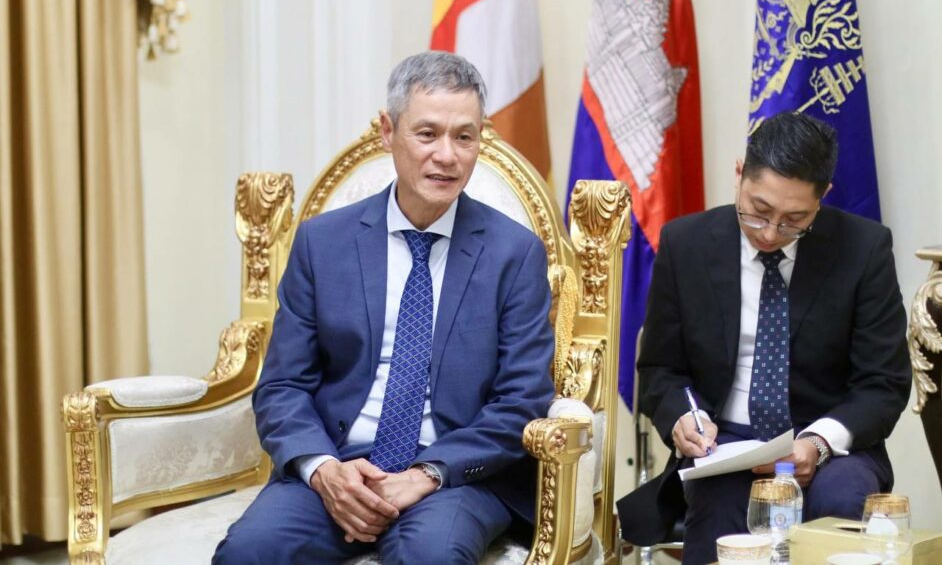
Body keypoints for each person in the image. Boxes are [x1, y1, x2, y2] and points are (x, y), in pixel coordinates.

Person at [213, 51, 556, 564]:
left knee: (430, 557)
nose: (447, 156)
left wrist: (425, 474)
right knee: (249, 552)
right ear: (387, 131)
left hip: (453, 477)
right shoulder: (321, 243)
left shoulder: (515, 253)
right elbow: (283, 386)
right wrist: (324, 471)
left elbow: (522, 401)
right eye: (427, 134)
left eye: (464, 137)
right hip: (338, 465)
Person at [617, 111, 912, 564]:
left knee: (841, 500)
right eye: (758, 211)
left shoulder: (864, 249)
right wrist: (683, 418)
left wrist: (817, 443)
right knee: (719, 508)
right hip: (727, 444)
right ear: (739, 175)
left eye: (795, 220)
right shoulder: (686, 244)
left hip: (832, 445)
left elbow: (883, 383)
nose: (772, 233)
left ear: (822, 198)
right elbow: (660, 370)